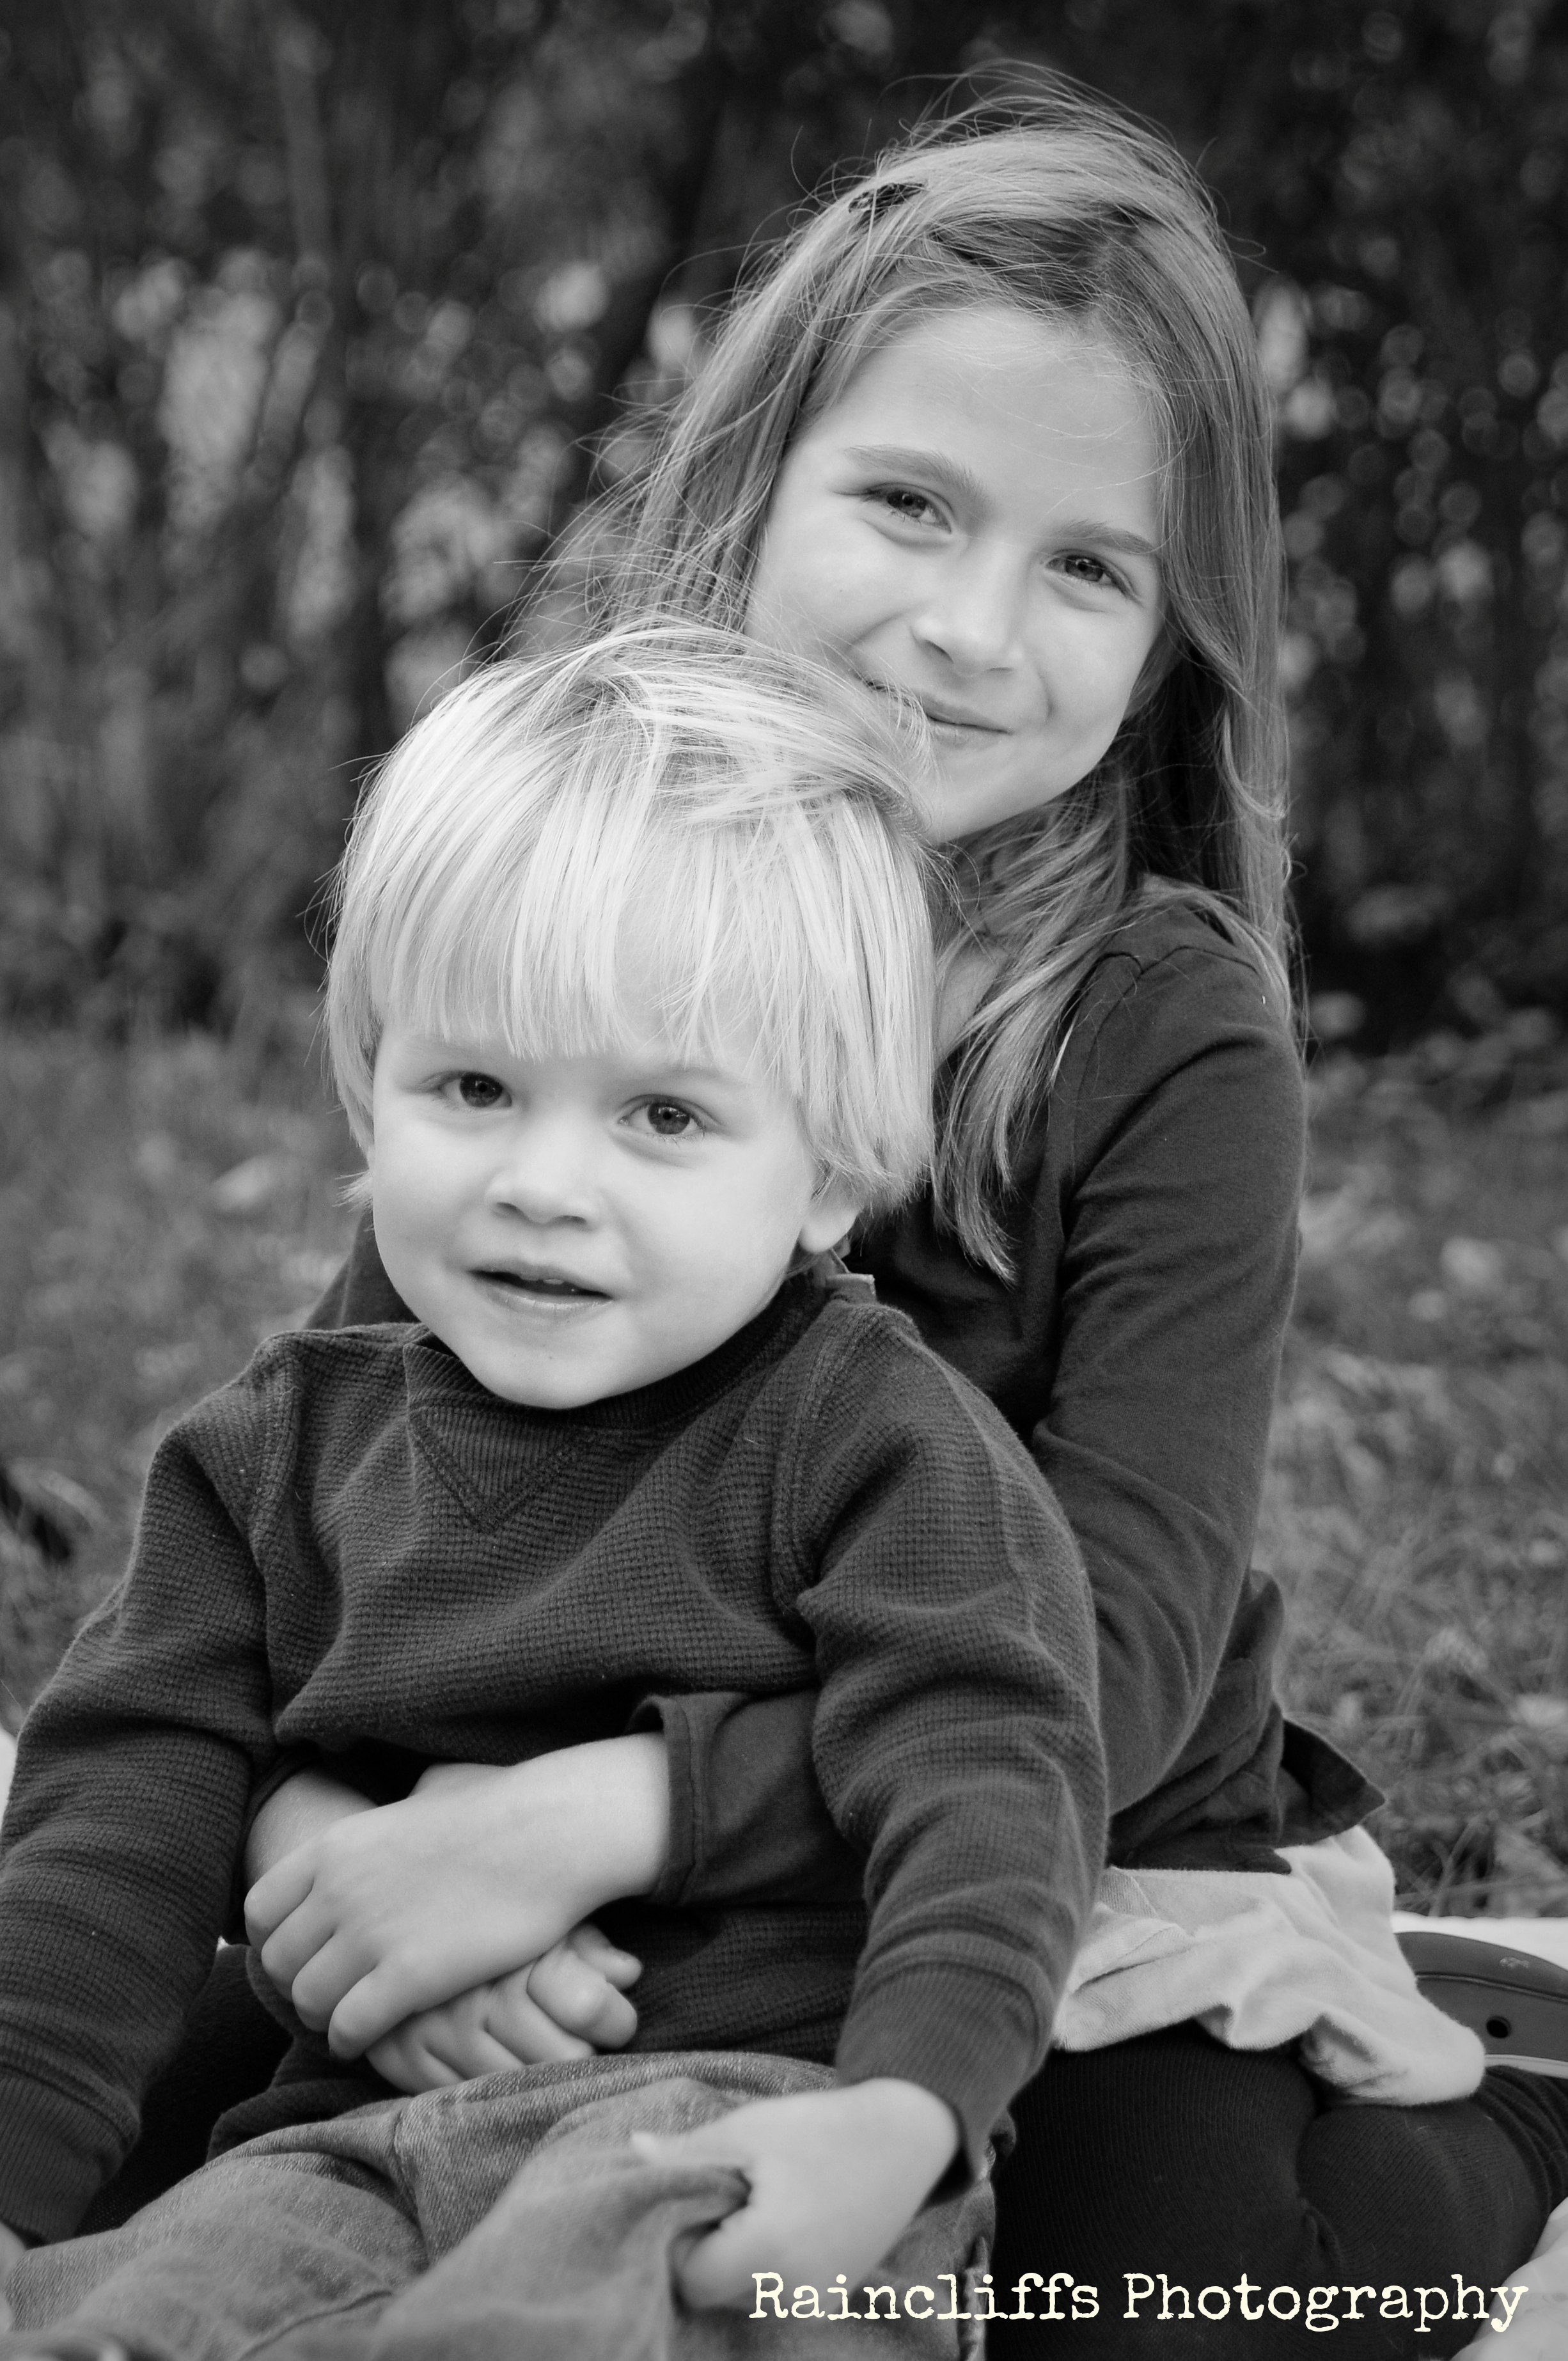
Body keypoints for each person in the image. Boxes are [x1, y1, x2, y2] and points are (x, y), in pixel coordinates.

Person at [42, 78, 1568, 2357]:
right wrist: (340, 1854)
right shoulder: (584, 896)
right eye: (909, 503)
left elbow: (1105, 1652)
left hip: (1050, 1831)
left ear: (1172, 635)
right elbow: (340, 1513)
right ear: (758, 484)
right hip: (583, 1841)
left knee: (1138, 2293)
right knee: (143, 2133)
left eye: (1085, 566)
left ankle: (1492, 2103)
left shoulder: (1156, 1030)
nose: (968, 627)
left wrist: (599, 1817)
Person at [0, 629, 1106, 2359]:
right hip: (350, 2132)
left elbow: (996, 1786)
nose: (543, 1181)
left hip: (743, 2118)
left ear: (826, 1173)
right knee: (148, 2311)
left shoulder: (876, 1444)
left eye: (661, 1114)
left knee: (602, 2314)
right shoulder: (269, 1458)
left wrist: (905, 2116)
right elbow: (114, 1827)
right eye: (474, 1087)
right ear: (369, 1089)